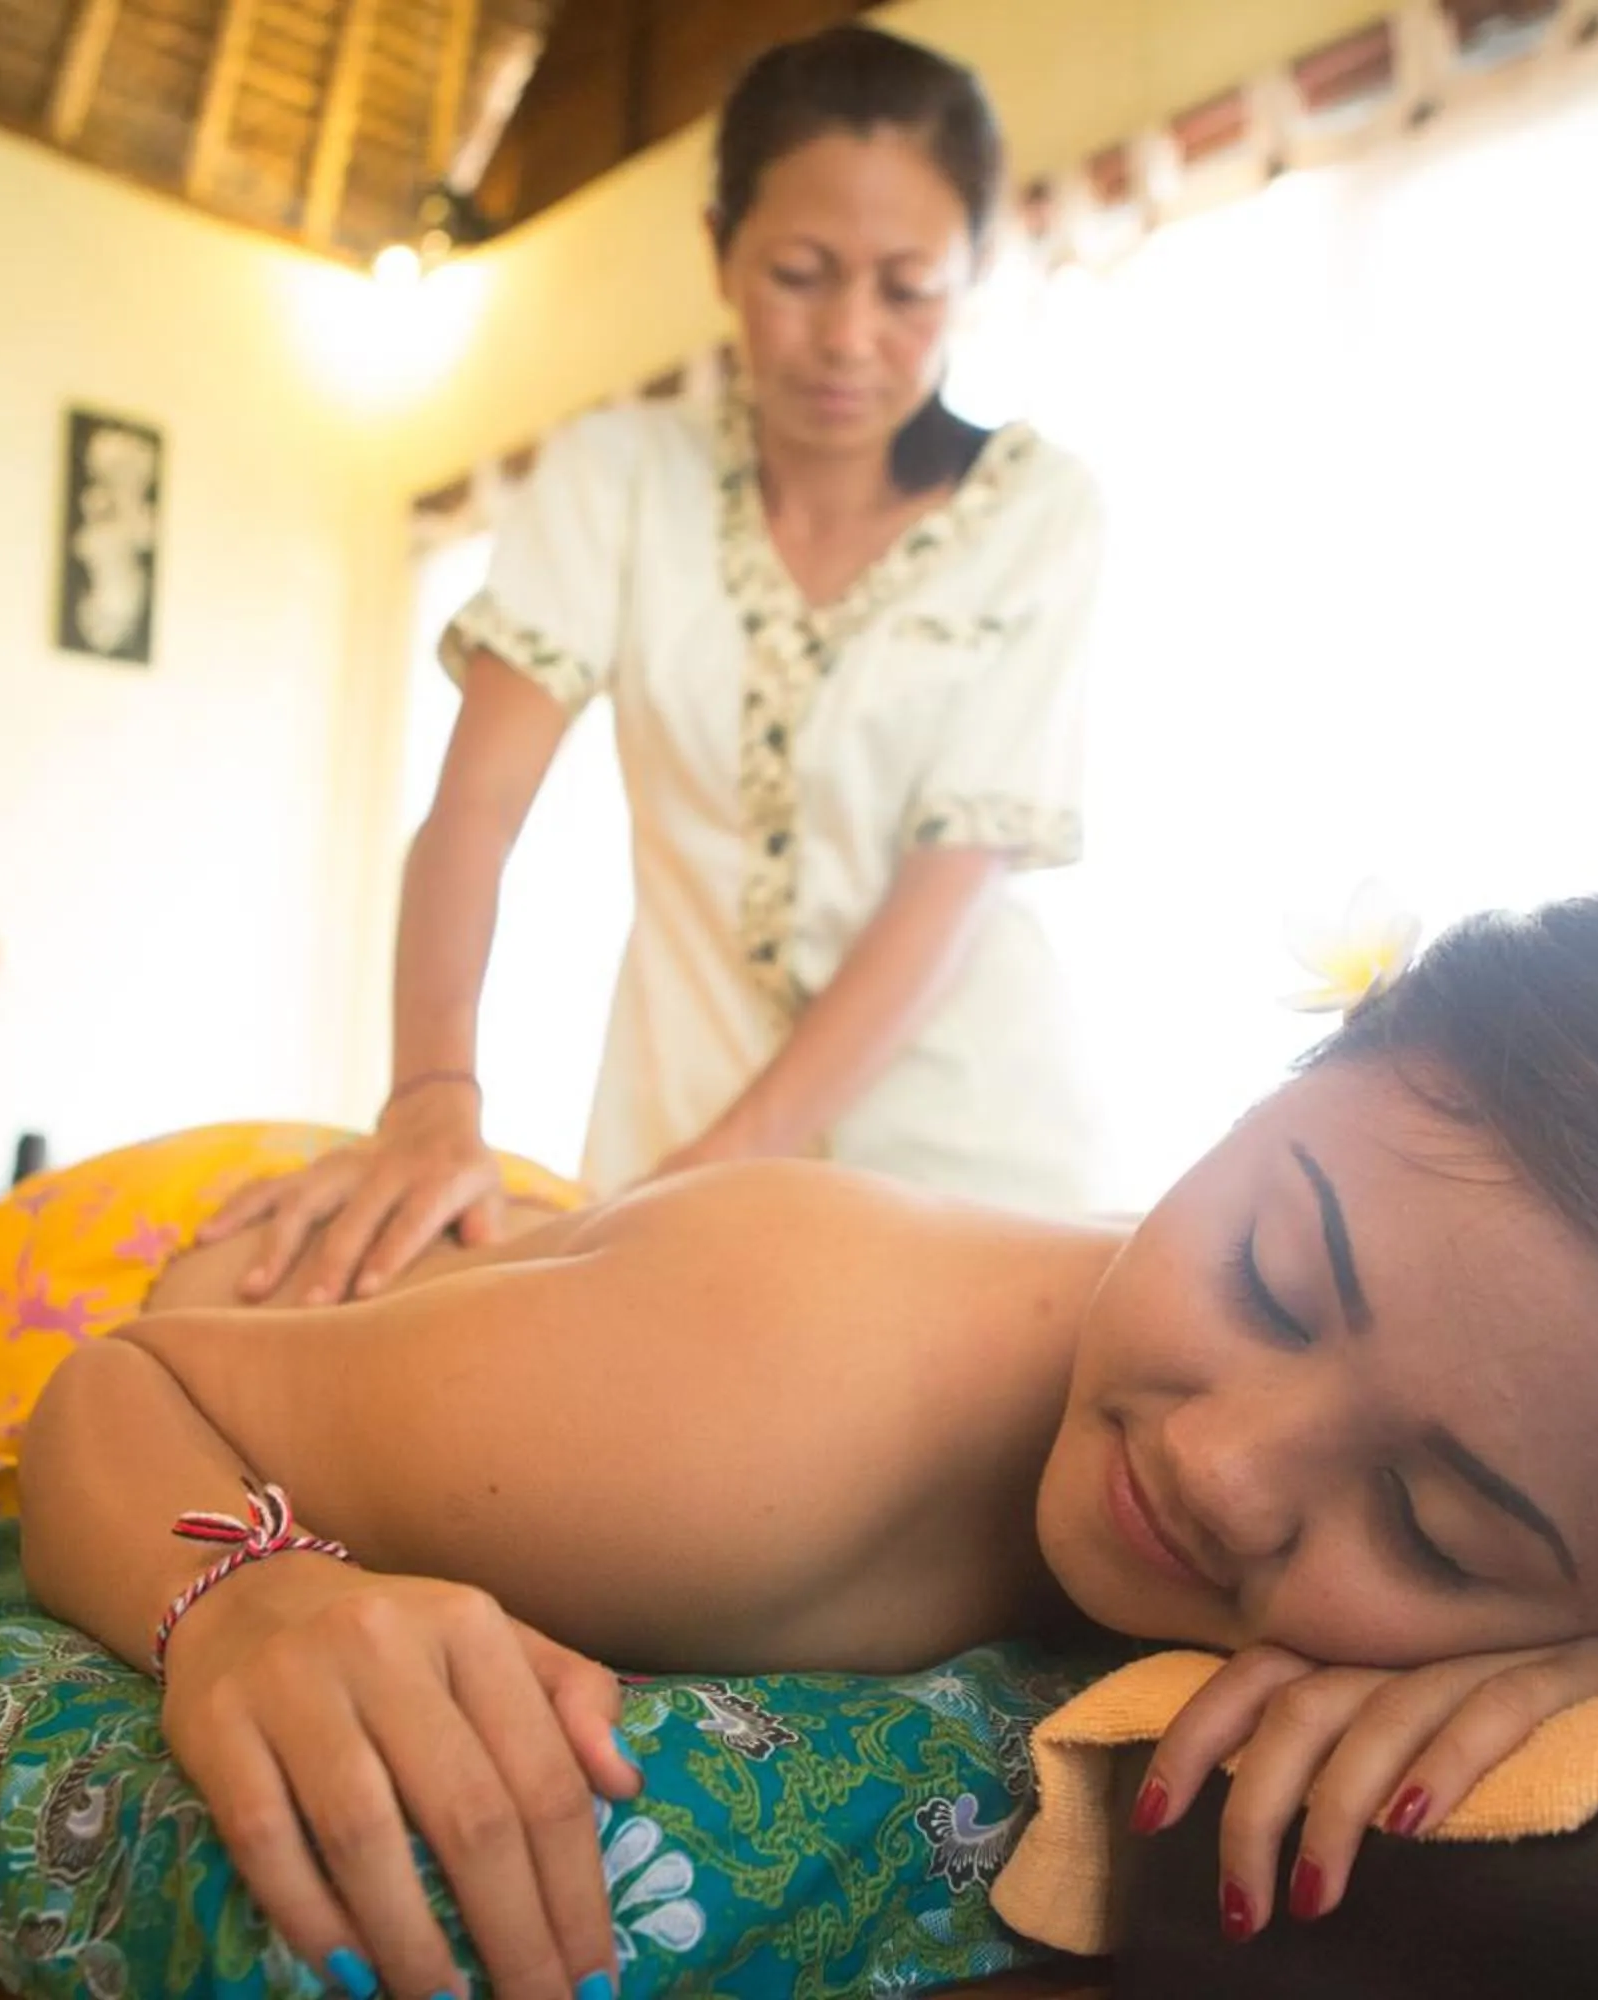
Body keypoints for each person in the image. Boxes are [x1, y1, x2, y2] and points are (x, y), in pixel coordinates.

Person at [22, 873, 1598, 2000]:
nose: (1233, 1466)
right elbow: (130, 1372)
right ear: (1297, 1070)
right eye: (1279, 1271)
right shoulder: (748, 1425)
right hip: (272, 1243)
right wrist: (252, 1588)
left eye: (1446, 1527)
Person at [206, 25, 1108, 1306]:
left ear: (973, 269)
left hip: (968, 1154)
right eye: (801, 272)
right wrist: (429, 1097)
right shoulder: (618, 478)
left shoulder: (1041, 512)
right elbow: (474, 811)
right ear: (720, 249)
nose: (849, 334)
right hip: (668, 1122)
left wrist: (722, 1167)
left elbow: (949, 886)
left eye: (907, 288)